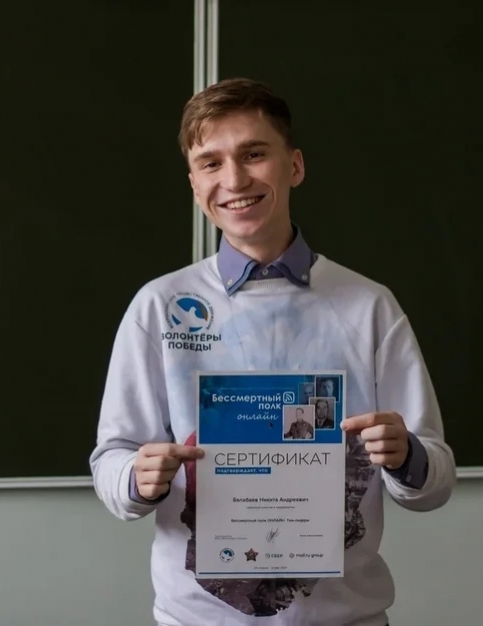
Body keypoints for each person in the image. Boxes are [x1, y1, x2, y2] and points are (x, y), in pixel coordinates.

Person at [90, 77, 455, 626]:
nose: (234, 179)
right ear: (194, 184)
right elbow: (112, 461)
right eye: (211, 163)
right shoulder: (160, 306)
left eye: (254, 154)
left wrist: (407, 455)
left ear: (295, 166)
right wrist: (137, 478)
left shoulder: (368, 306)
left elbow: (435, 481)